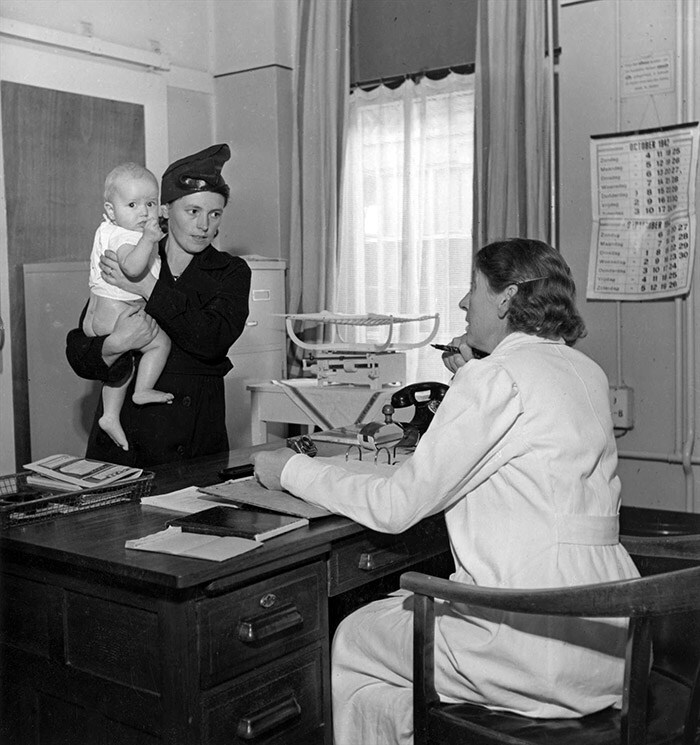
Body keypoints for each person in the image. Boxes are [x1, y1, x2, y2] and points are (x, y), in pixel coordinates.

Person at [252, 238, 640, 745]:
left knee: (352, 636)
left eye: (473, 288)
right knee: (391, 650)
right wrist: (472, 376)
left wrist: (291, 469)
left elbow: (396, 508)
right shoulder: (584, 370)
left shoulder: (493, 377)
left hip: (532, 645)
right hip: (609, 640)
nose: (463, 303)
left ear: (506, 298)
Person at [66, 144, 251, 467]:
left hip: (193, 442)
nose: (204, 225)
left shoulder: (231, 272)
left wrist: (147, 287)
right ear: (163, 211)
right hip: (125, 443)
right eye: (192, 211)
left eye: (215, 213)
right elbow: (80, 350)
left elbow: (211, 340)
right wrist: (115, 344)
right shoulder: (133, 251)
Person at [83, 162, 173, 452]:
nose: (144, 212)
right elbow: (133, 270)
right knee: (159, 344)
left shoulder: (108, 230)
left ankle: (110, 415)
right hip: (116, 311)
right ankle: (143, 390)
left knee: (122, 364)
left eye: (150, 203)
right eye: (132, 204)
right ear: (111, 210)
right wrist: (148, 239)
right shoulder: (127, 236)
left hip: (98, 314)